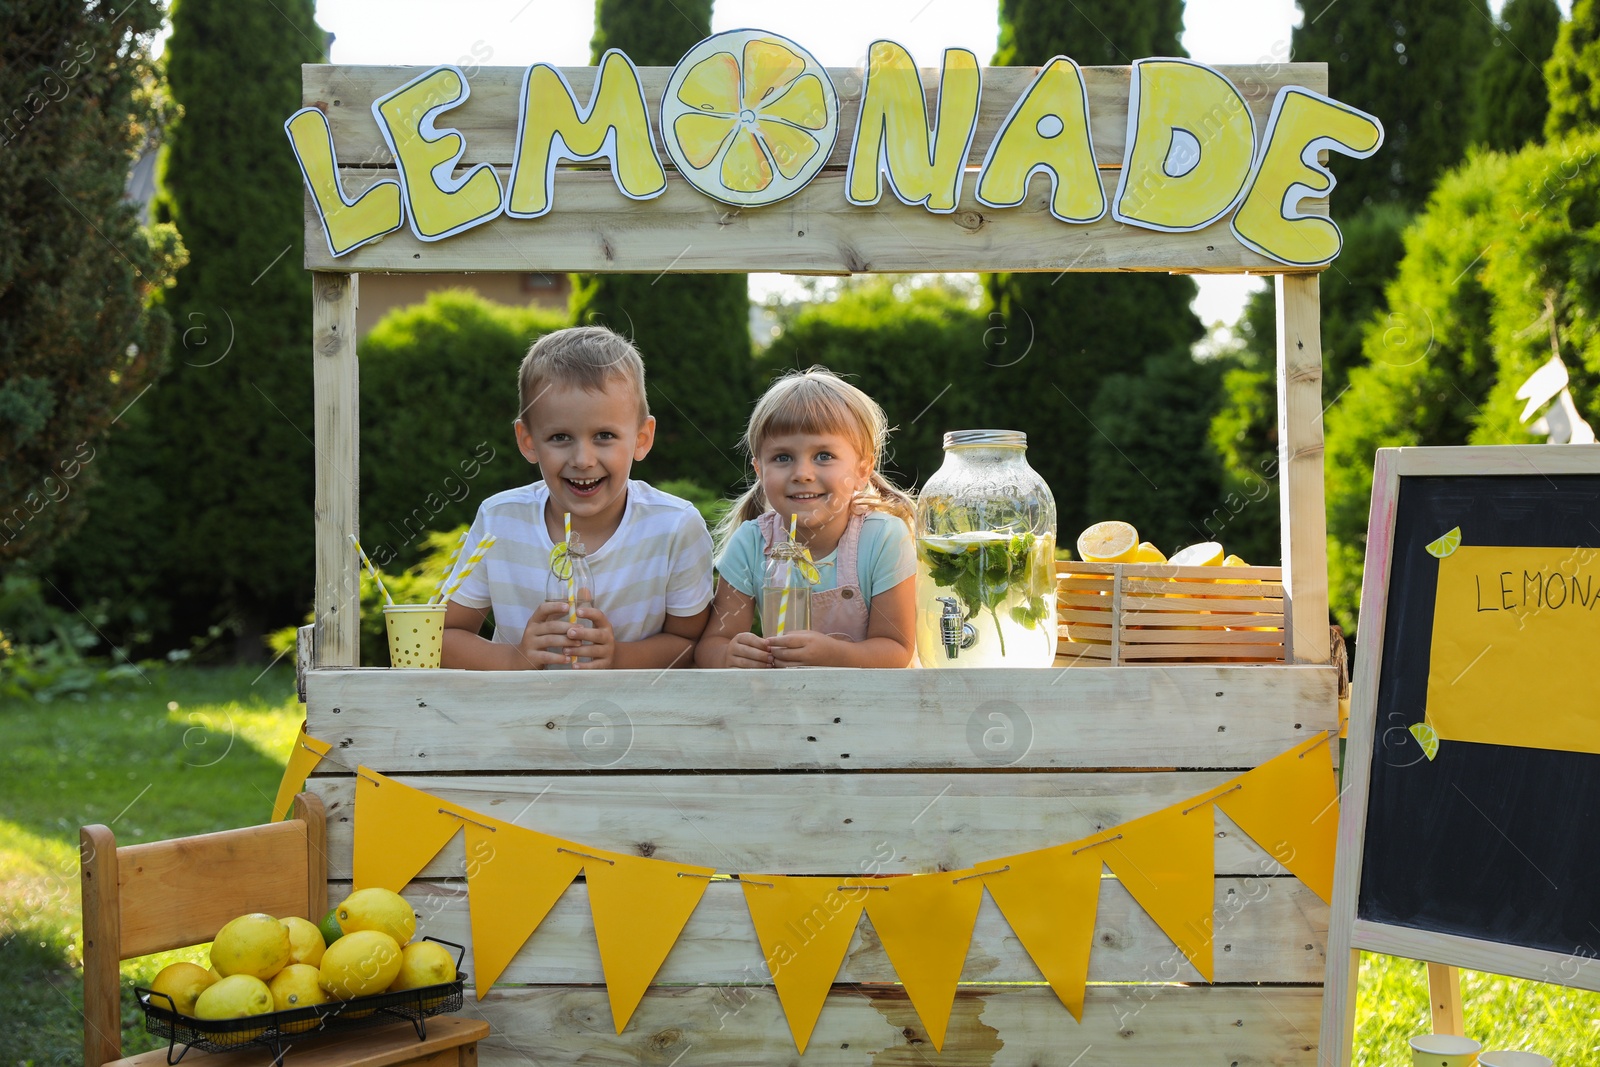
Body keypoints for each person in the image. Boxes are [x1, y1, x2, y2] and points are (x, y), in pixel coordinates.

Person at [441, 326, 713, 669]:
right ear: (527, 441)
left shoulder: (674, 527)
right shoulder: (501, 519)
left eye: (604, 435)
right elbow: (441, 636)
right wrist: (514, 657)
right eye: (559, 437)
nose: (582, 459)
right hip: (518, 719)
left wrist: (618, 657)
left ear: (642, 438)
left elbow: (692, 644)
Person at [697, 367, 917, 669]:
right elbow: (711, 645)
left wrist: (832, 655)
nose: (802, 474)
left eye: (824, 455)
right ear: (759, 471)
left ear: (862, 470)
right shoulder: (750, 544)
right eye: (782, 457)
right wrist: (729, 655)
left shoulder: (883, 539)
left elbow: (897, 650)